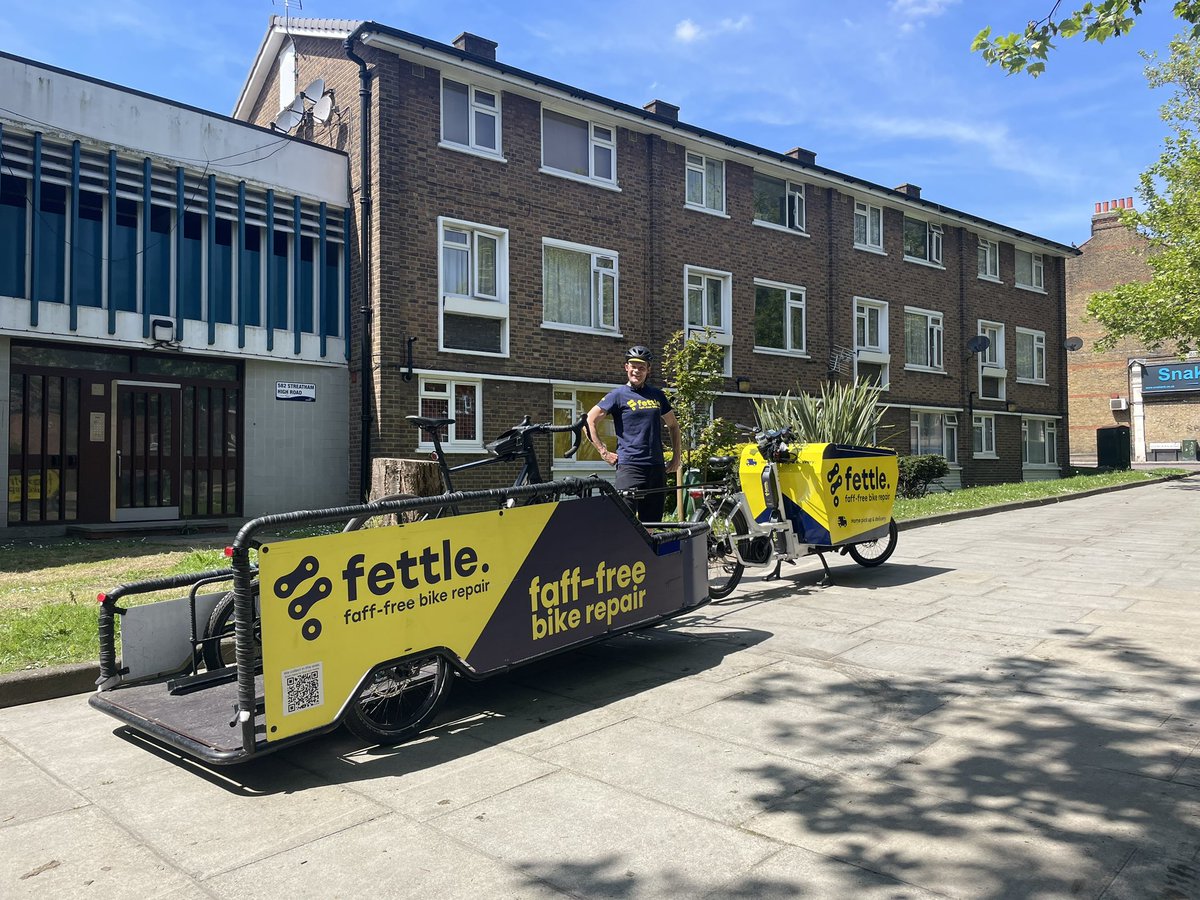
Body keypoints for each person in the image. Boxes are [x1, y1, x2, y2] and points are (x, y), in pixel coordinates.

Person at [587, 345, 681, 523]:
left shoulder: (657, 395)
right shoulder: (617, 395)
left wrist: (676, 457)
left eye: (642, 367)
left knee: (652, 524)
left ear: (648, 370)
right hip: (630, 467)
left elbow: (674, 426)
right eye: (633, 366)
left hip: (656, 467)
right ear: (626, 367)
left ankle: (649, 551)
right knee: (624, 523)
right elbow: (588, 422)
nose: (637, 371)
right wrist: (603, 452)